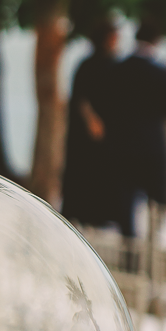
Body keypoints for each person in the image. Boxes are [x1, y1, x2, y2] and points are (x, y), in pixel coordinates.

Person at [106, 14, 166, 239]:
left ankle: (129, 247)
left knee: (125, 198)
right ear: (156, 40)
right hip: (152, 144)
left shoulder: (119, 68)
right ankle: (152, 245)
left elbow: (109, 105)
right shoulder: (161, 72)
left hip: (124, 142)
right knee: (156, 202)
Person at [61, 16, 119, 227]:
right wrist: (91, 120)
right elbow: (80, 98)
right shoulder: (89, 64)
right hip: (86, 134)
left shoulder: (110, 64)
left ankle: (96, 216)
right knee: (84, 174)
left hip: (102, 135)